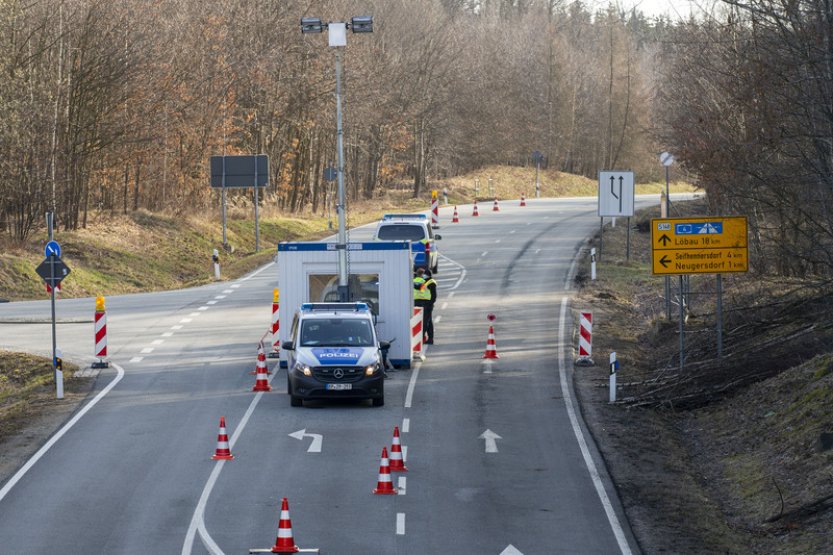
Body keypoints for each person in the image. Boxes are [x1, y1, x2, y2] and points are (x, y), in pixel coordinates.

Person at [413, 268, 432, 344]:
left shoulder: (412, 281)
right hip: (426, 303)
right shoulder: (426, 282)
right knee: (427, 321)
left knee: (416, 321)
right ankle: (427, 338)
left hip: (415, 302)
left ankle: (418, 339)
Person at [422, 268, 437, 344]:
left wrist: (430, 304)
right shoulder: (426, 281)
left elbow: (434, 295)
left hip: (428, 305)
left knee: (426, 322)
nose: (423, 275)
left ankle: (428, 338)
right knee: (429, 322)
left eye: (425, 274)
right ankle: (430, 339)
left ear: (427, 275)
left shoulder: (431, 282)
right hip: (426, 304)